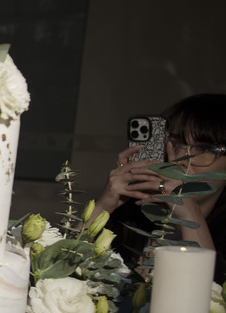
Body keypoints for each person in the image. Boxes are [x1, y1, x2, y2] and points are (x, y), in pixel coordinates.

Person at [91, 93, 226, 279]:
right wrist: (102, 207)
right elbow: (57, 270)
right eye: (174, 144)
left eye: (202, 149)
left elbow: (208, 296)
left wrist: (189, 213)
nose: (182, 159)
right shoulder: (131, 217)